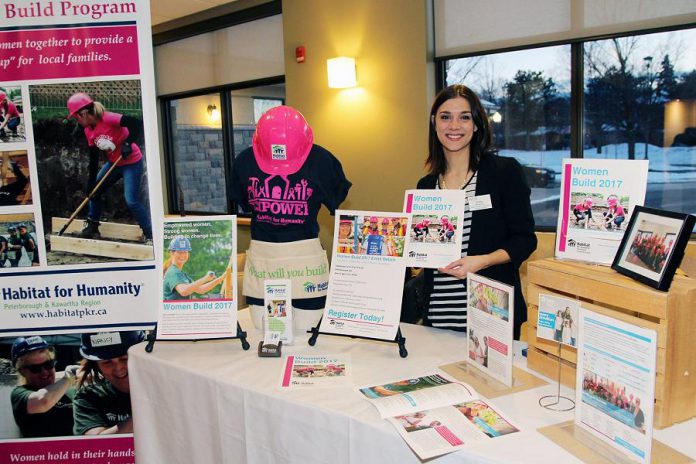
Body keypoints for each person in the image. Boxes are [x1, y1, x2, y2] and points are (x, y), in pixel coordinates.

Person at [416, 85, 536, 337]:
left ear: (477, 124)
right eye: (445, 116)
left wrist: (482, 260)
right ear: (434, 123)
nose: (454, 125)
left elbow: (524, 240)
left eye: (464, 117)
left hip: (490, 315)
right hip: (437, 317)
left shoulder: (504, 173)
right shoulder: (426, 186)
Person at [65, 92, 152, 243]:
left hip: (131, 163)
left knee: (131, 200)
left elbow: (136, 123)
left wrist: (127, 144)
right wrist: (91, 184)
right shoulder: (88, 130)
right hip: (114, 163)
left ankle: (150, 233)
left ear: (84, 113)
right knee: (94, 192)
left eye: (76, 117)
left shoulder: (108, 118)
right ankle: (92, 227)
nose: (76, 121)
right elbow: (93, 158)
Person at [73, 330, 144, 435]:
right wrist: (146, 418)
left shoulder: (163, 386)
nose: (118, 368)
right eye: (107, 362)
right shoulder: (89, 397)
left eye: (124, 358)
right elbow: (94, 444)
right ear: (96, 365)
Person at [10, 336, 79, 438]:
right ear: (22, 371)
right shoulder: (19, 394)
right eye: (35, 368)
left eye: (48, 364)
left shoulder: (69, 389)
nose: (44, 372)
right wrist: (69, 378)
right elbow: (43, 401)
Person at [162, 236, 227, 300]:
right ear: (171, 253)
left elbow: (201, 289)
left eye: (185, 252)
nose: (183, 255)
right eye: (179, 252)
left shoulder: (182, 275)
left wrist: (221, 278)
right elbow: (183, 291)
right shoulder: (173, 272)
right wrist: (205, 278)